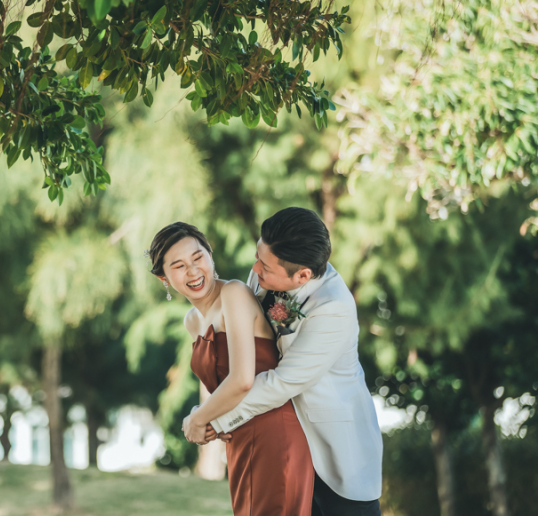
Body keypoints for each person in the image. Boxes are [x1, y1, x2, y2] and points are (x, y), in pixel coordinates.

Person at [198, 207, 383, 516]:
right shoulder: (264, 273)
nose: (255, 270)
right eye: (257, 256)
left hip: (335, 452)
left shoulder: (333, 308)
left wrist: (212, 421)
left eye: (265, 266)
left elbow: (281, 383)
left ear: (302, 276)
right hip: (284, 443)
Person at [148, 222, 314, 516]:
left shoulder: (234, 294)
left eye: (198, 257)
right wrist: (214, 420)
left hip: (274, 433)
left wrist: (196, 420)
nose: (193, 271)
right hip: (238, 436)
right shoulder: (192, 321)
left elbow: (241, 380)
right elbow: (220, 385)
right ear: (164, 278)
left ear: (210, 255)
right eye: (178, 266)